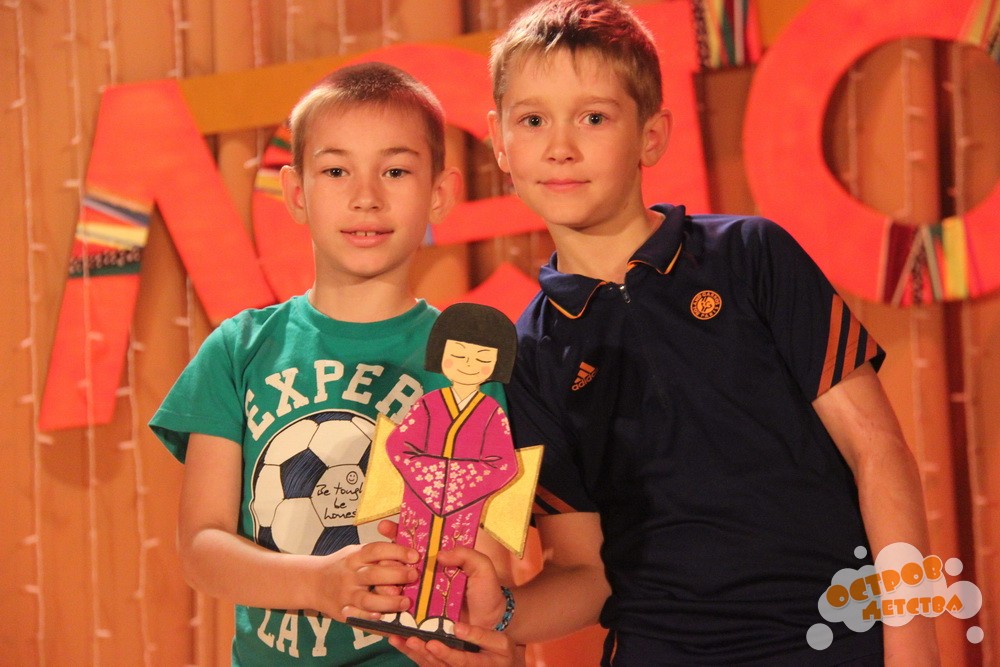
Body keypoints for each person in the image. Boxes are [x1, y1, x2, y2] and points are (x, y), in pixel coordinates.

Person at [391, 1, 940, 665]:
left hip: (837, 643)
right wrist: (498, 611)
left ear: (651, 135)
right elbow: (588, 571)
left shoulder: (751, 256)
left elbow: (876, 450)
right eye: (533, 120)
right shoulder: (529, 355)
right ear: (499, 142)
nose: (560, 147)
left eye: (593, 118)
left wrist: (913, 635)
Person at [149, 62, 509, 666]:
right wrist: (317, 583)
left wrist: (486, 614)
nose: (366, 197)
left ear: (440, 194)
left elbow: (491, 563)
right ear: (296, 193)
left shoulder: (466, 363)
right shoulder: (238, 349)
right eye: (336, 171)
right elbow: (201, 548)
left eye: (395, 171)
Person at [385, 304, 519, 635]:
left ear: (497, 363)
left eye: (482, 358)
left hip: (465, 506)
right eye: (458, 355)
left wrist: (457, 479)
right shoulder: (428, 403)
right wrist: (434, 475)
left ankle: (441, 617)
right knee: (412, 554)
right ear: (441, 356)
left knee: (452, 561)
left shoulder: (490, 411)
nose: (469, 364)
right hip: (419, 498)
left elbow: (504, 463)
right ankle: (403, 611)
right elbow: (398, 445)